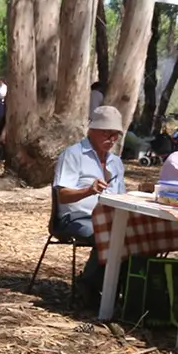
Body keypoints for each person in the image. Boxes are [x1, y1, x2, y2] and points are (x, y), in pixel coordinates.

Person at [52, 106, 127, 303]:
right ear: (91, 130)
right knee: (109, 235)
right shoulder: (73, 154)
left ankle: (123, 291)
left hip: (111, 218)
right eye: (106, 133)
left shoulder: (116, 162)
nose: (111, 139)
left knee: (136, 235)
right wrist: (88, 190)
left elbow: (121, 196)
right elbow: (62, 196)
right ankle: (88, 285)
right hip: (76, 218)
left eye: (115, 135)